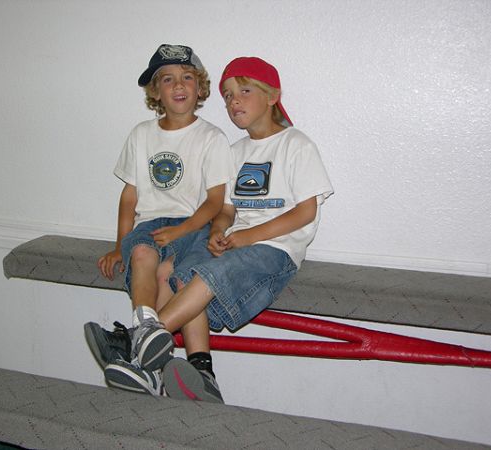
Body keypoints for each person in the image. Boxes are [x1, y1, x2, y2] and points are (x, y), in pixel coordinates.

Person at [110, 55, 334, 403]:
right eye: (227, 95)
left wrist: (246, 237)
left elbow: (306, 212)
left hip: (275, 249)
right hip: (236, 243)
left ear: (273, 96)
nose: (233, 101)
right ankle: (192, 373)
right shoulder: (236, 151)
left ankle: (135, 347)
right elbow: (227, 209)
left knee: (208, 277)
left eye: (244, 91)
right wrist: (219, 230)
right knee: (177, 274)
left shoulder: (296, 144)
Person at [84, 44, 234, 398]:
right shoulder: (141, 135)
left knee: (172, 276)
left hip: (193, 224)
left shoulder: (211, 137)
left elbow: (215, 201)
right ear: (155, 92)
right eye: (167, 79)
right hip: (150, 225)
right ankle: (146, 328)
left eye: (187, 77)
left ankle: (137, 348)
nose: (178, 85)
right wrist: (119, 245)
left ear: (199, 87)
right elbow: (129, 197)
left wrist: (183, 229)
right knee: (140, 255)